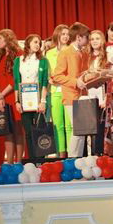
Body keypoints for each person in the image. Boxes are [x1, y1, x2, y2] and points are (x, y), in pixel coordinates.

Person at [52, 22, 91, 157]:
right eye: (86, 37)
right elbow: (57, 75)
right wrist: (75, 82)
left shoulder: (83, 53)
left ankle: (77, 159)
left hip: (82, 95)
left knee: (82, 130)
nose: (88, 40)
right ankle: (73, 159)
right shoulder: (66, 52)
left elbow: (82, 73)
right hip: (70, 96)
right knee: (77, 129)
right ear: (79, 37)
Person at [13, 34, 49, 158]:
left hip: (38, 100)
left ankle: (41, 160)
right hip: (24, 101)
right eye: (35, 42)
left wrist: (43, 101)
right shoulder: (18, 60)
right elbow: (16, 82)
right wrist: (16, 101)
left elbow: (44, 82)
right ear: (28, 43)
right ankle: (32, 160)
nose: (37, 45)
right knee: (28, 132)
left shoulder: (43, 61)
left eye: (39, 43)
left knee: (39, 131)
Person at [0, 29, 23, 163]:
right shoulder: (0, 56)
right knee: (7, 131)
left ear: (8, 39)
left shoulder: (18, 54)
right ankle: (9, 163)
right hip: (3, 98)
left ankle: (19, 162)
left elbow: (15, 79)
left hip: (14, 97)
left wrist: (2, 94)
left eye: (0, 38)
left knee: (17, 130)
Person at [44, 24, 70, 157]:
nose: (65, 36)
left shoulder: (72, 51)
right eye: (63, 34)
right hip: (55, 91)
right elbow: (48, 73)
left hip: (69, 91)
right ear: (57, 35)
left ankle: (72, 155)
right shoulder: (49, 53)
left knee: (69, 126)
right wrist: (50, 79)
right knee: (58, 125)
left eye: (67, 34)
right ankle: (61, 154)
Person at [85, 30, 112, 155]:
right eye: (92, 39)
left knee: (100, 126)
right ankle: (90, 154)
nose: (94, 41)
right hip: (88, 94)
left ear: (102, 40)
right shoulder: (86, 57)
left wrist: (106, 97)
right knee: (89, 126)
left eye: (97, 38)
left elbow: (110, 79)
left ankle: (99, 153)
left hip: (102, 95)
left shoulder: (107, 56)